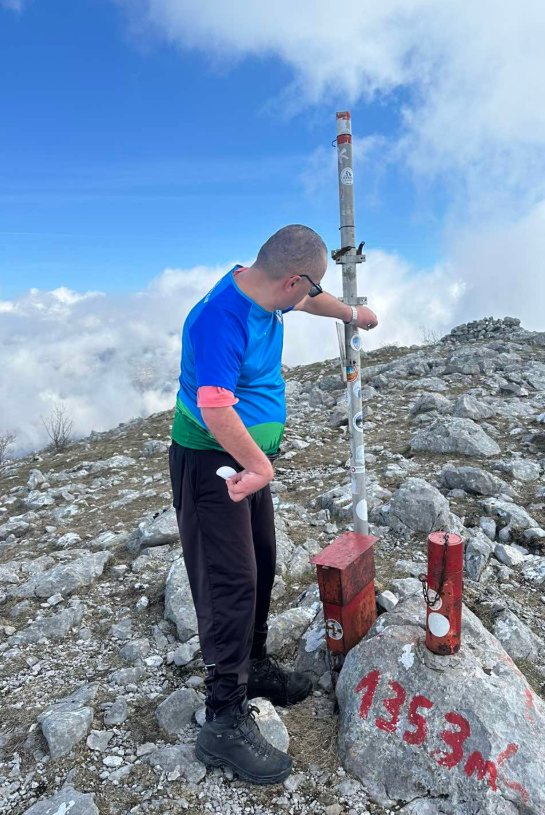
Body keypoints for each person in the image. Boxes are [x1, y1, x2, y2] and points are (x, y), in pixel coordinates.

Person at [168, 224, 378, 785]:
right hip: (211, 462)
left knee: (260, 563)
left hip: (242, 462)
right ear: (290, 280)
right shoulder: (222, 316)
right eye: (308, 288)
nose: (310, 297)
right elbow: (214, 406)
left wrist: (352, 315)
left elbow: (312, 301)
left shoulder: (264, 289)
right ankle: (222, 720)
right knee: (228, 581)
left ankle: (253, 665)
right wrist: (259, 465)